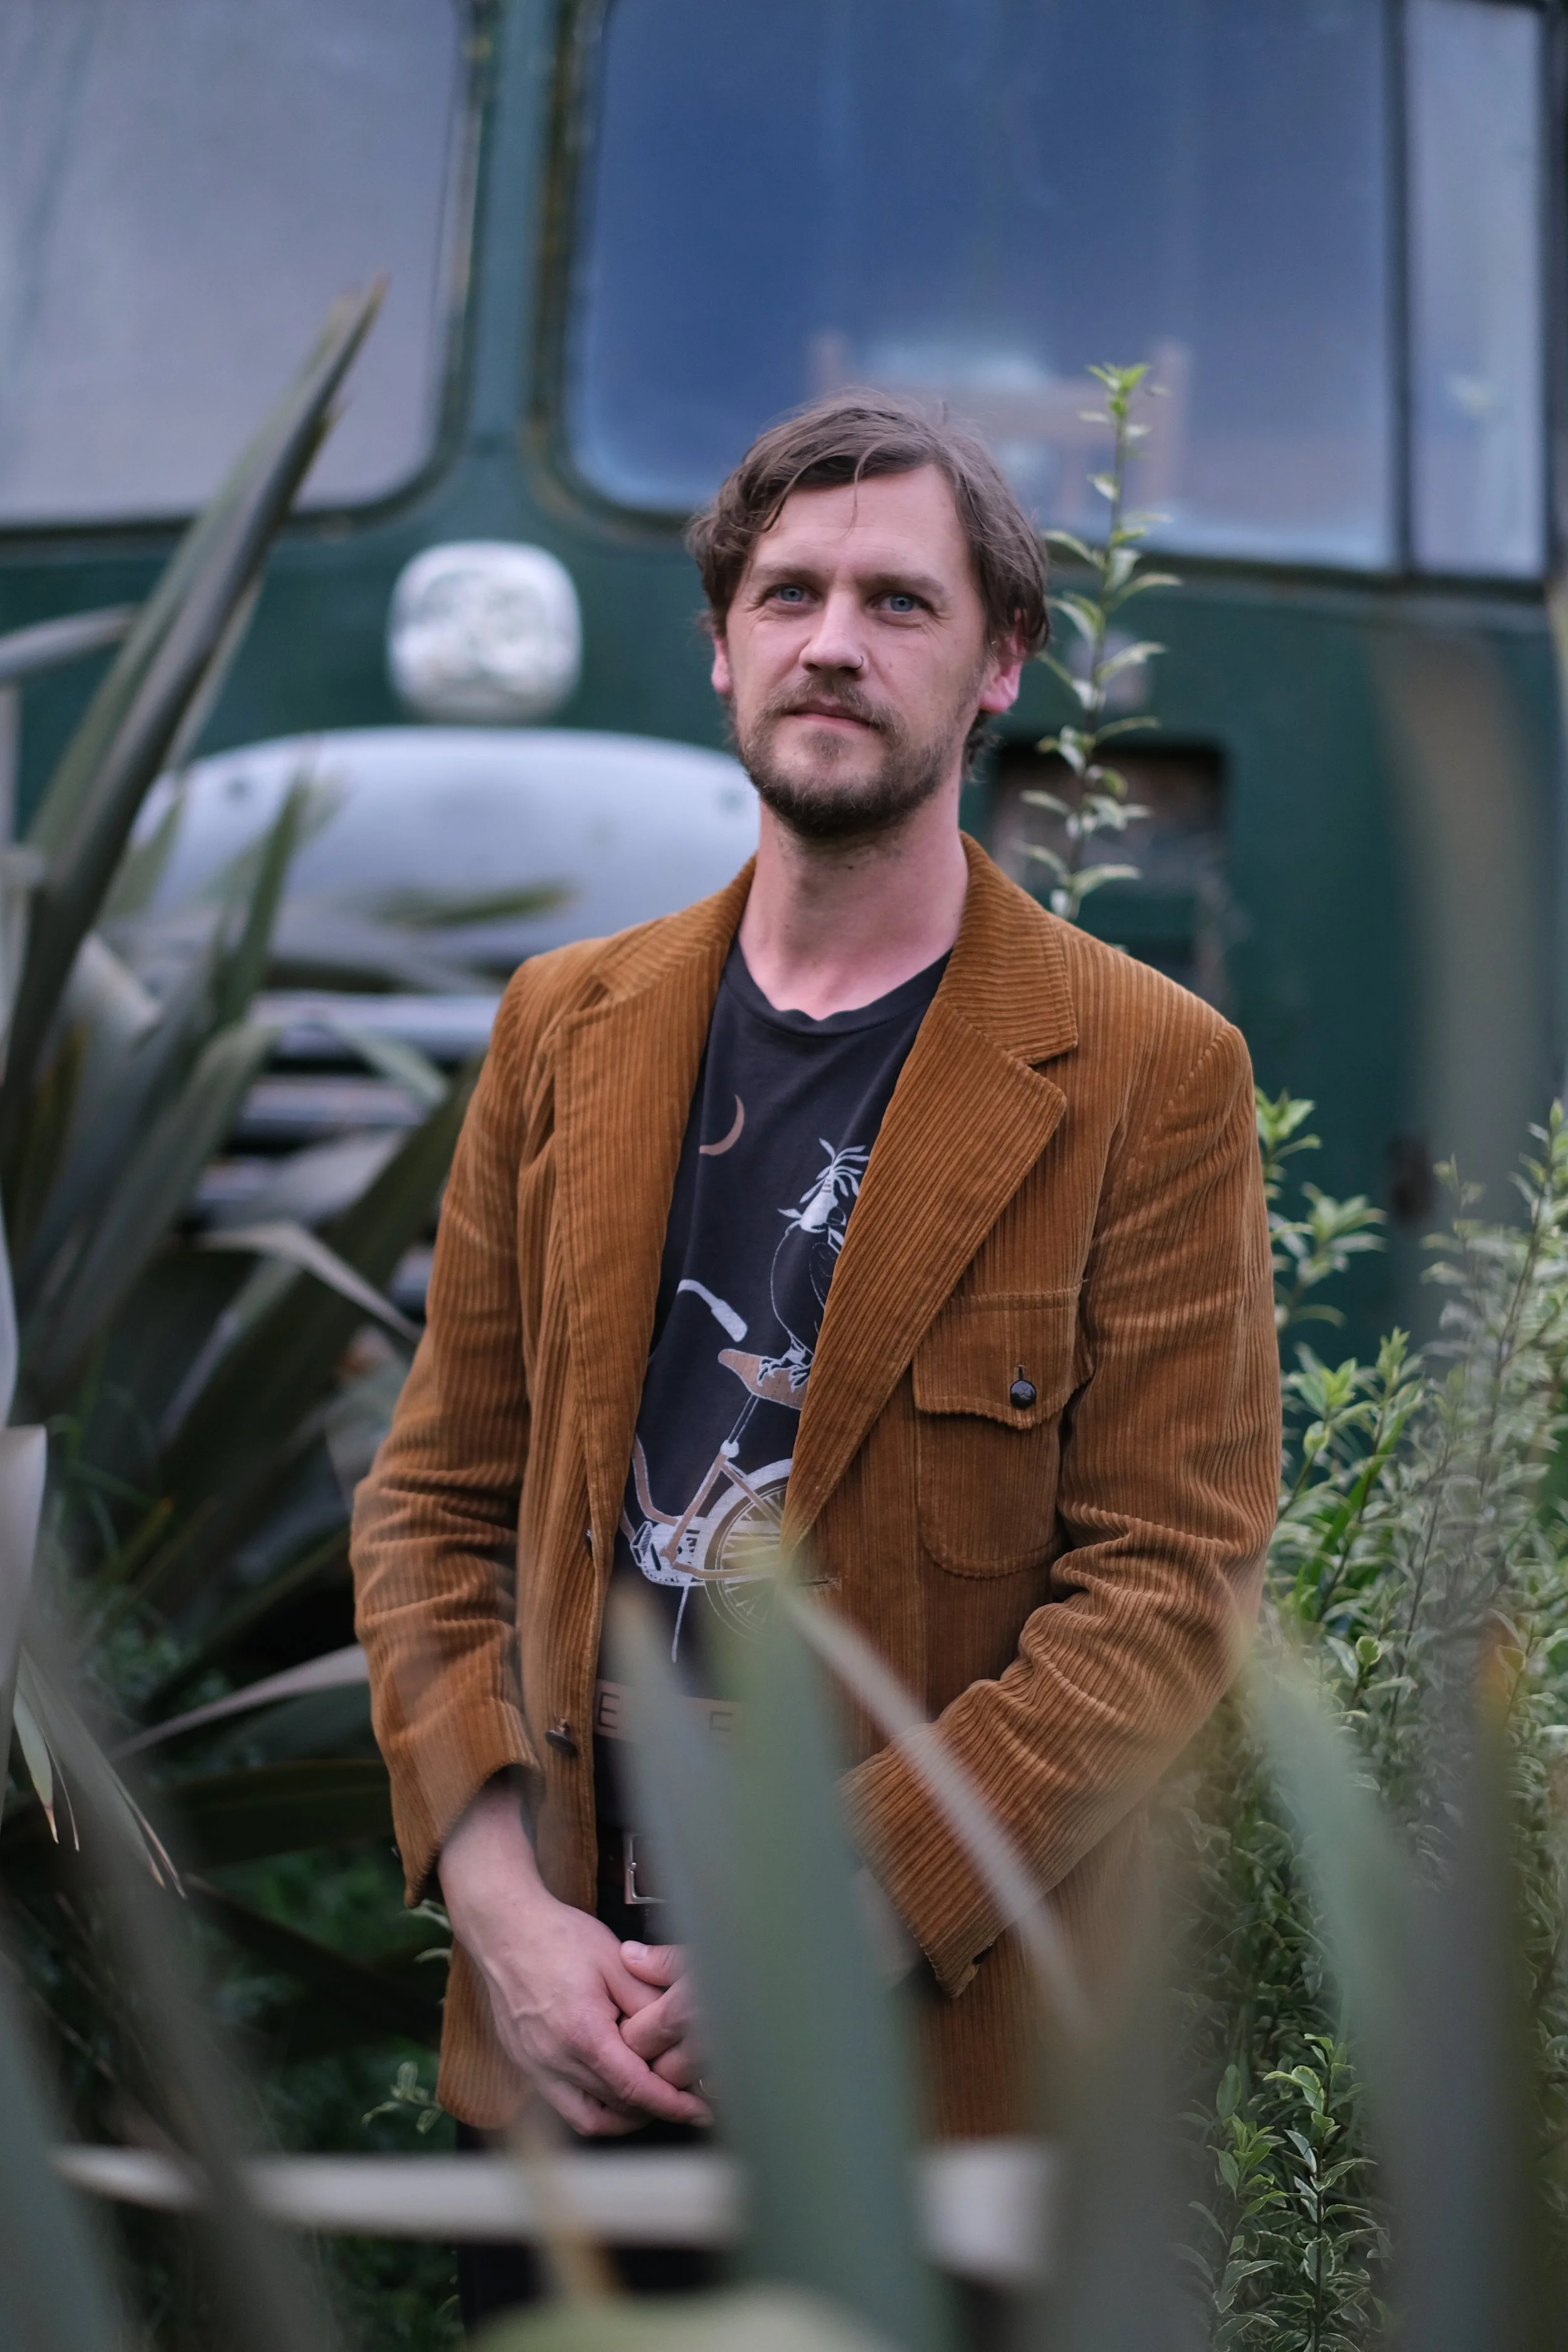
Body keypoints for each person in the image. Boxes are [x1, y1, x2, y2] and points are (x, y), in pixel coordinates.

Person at [350, 390, 1280, 2316]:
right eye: (784, 594)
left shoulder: (1144, 1074)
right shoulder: (562, 1025)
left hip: (920, 2092)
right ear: (720, 643)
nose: (830, 642)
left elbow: (1166, 1587)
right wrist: (507, 1914)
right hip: (563, 2062)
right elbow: (436, 1498)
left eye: (896, 602)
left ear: (1002, 661)